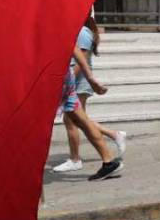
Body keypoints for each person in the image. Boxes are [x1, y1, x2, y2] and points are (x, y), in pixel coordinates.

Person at [53, 15, 127, 173]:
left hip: (79, 82)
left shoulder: (83, 33)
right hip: (74, 80)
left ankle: (75, 159)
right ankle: (113, 137)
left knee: (73, 120)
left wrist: (68, 80)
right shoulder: (75, 32)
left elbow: (82, 61)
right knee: (78, 119)